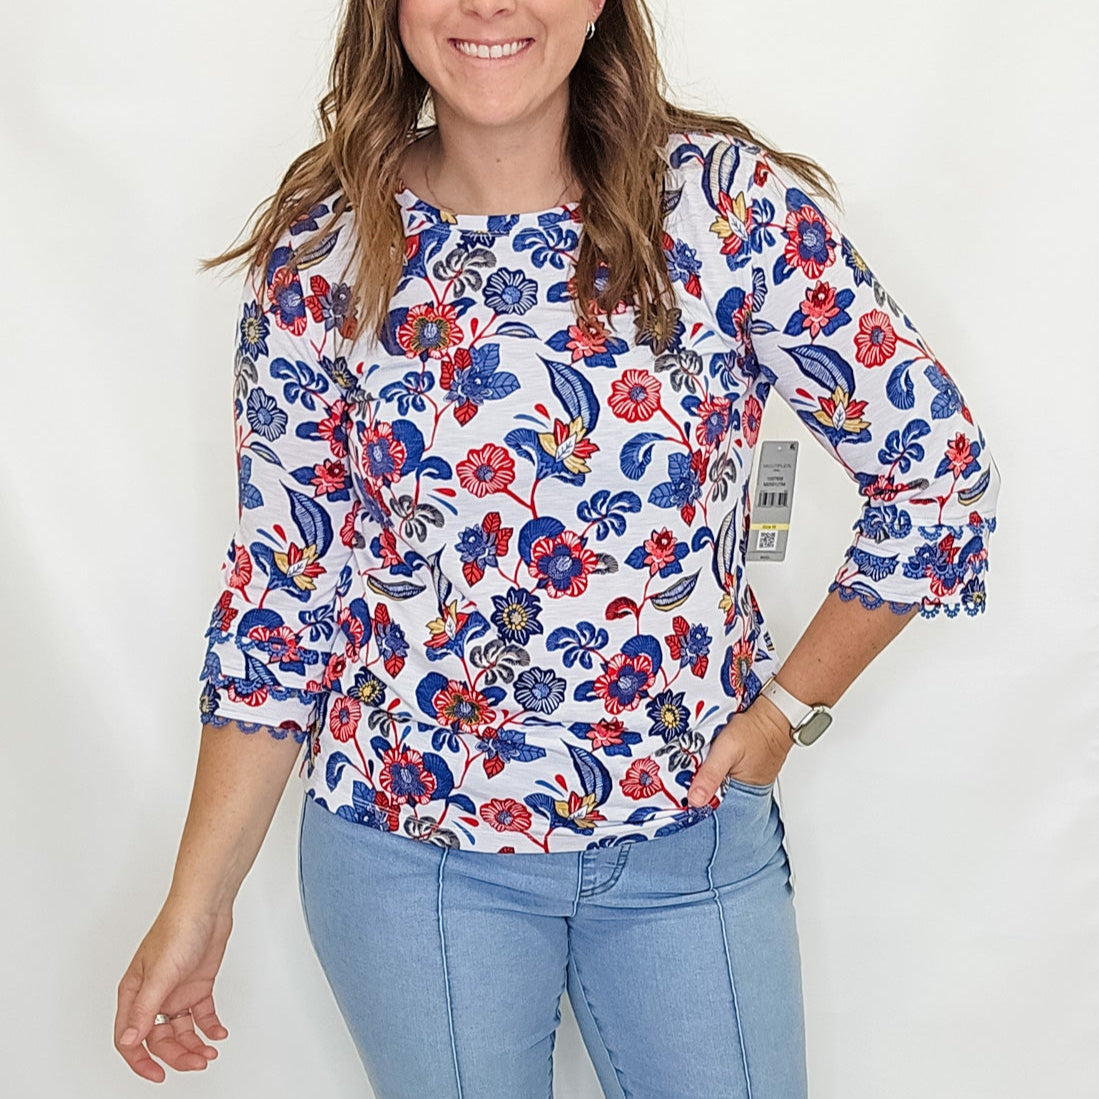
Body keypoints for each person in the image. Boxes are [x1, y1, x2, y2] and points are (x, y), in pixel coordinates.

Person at [114, 1, 1002, 1095]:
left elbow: (936, 473)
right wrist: (196, 904)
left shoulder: (725, 212)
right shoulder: (326, 250)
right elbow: (281, 597)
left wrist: (781, 715)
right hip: (409, 857)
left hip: (688, 846)